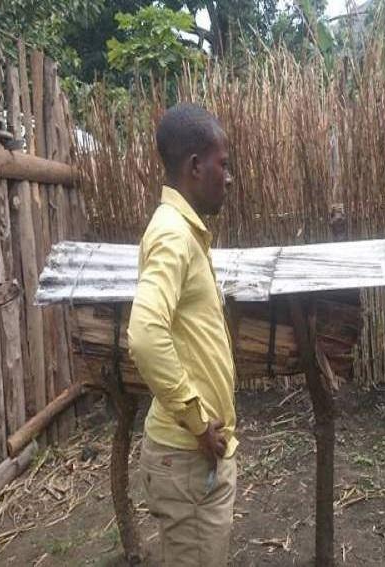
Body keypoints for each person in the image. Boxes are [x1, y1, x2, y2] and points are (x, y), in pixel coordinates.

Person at [128, 103, 237, 567]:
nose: (229, 177)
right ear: (195, 166)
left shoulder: (184, 232)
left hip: (192, 458)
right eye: (223, 164)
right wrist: (196, 417)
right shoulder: (174, 235)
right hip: (187, 455)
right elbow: (145, 334)